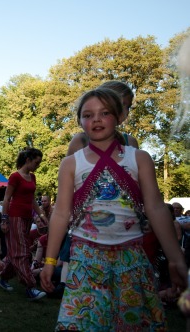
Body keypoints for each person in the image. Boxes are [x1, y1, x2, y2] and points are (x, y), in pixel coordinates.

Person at [41, 88, 187, 330]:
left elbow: (156, 209)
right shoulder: (71, 163)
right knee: (80, 323)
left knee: (129, 323)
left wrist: (175, 259)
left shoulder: (139, 158)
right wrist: (49, 260)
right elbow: (61, 213)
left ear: (120, 116)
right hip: (85, 258)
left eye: (105, 112)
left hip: (131, 259)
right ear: (80, 122)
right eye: (88, 115)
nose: (96, 119)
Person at [0, 148, 48, 300]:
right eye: (36, 162)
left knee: (16, 251)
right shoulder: (15, 177)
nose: (38, 166)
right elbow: (7, 199)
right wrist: (4, 220)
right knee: (22, 251)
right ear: (28, 160)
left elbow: (32, 199)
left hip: (27, 218)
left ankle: (3, 278)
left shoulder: (32, 177)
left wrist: (41, 215)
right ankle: (30, 286)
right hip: (15, 217)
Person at [67, 80, 139, 156]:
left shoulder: (130, 142)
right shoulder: (81, 140)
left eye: (128, 107)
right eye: (122, 104)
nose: (126, 111)